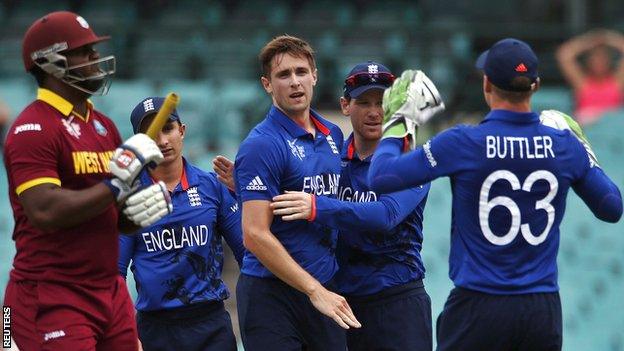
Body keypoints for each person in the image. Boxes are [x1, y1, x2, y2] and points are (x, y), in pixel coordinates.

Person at [369, 38, 623, 351]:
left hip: (479, 304)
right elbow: (612, 207)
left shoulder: (463, 141)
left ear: (487, 84)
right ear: (536, 86)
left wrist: (399, 121)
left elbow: (381, 176)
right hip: (541, 309)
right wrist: (583, 148)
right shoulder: (564, 145)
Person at [216, 61, 434, 350]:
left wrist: (317, 207)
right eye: (364, 102)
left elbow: (384, 215)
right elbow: (295, 193)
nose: (374, 112)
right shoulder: (332, 158)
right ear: (345, 105)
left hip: (394, 301)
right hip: (338, 301)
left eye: (383, 102)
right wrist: (247, 188)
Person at [3, 11, 171, 350]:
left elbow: (110, 210)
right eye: (85, 51)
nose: (96, 58)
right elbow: (45, 211)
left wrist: (133, 215)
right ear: (51, 63)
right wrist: (115, 186)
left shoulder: (104, 125)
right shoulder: (31, 128)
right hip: (52, 292)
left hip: (108, 289)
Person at [232, 34, 360, 351]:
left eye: (301, 72)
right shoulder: (261, 144)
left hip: (324, 287)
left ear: (314, 76)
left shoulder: (333, 134)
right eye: (283, 75)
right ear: (266, 84)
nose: (294, 82)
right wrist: (313, 290)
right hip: (272, 295)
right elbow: (254, 234)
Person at [118, 97, 245, 351]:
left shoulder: (212, 186)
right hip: (155, 330)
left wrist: (245, 195)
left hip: (210, 326)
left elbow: (248, 251)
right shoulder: (128, 198)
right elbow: (115, 274)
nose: (163, 141)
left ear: (182, 131)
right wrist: (127, 334)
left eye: (168, 128)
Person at [556, 29, 624, 125]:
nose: (599, 62)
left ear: (609, 61)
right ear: (589, 62)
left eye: (603, 59)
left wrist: (607, 38)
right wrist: (589, 41)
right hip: (588, 130)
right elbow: (564, 55)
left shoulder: (617, 83)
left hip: (612, 130)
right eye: (595, 59)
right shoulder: (582, 83)